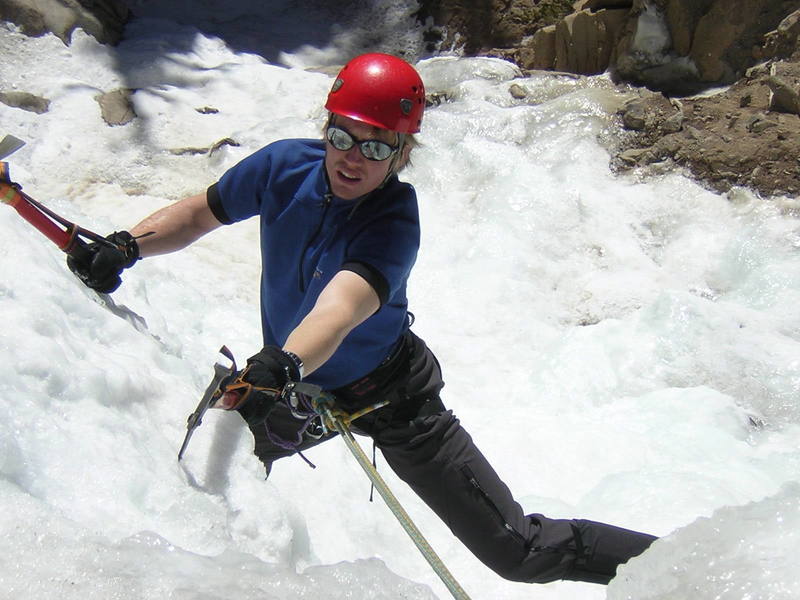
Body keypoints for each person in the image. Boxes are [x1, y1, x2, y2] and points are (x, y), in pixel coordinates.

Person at [67, 52, 656, 585]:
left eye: (377, 147)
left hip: (393, 402)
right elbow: (199, 215)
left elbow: (340, 308)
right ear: (326, 128)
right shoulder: (282, 167)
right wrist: (127, 245)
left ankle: (687, 568)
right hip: (300, 386)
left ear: (403, 154)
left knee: (520, 554)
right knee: (203, 459)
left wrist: (282, 362)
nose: (354, 157)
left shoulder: (394, 220)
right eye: (344, 136)